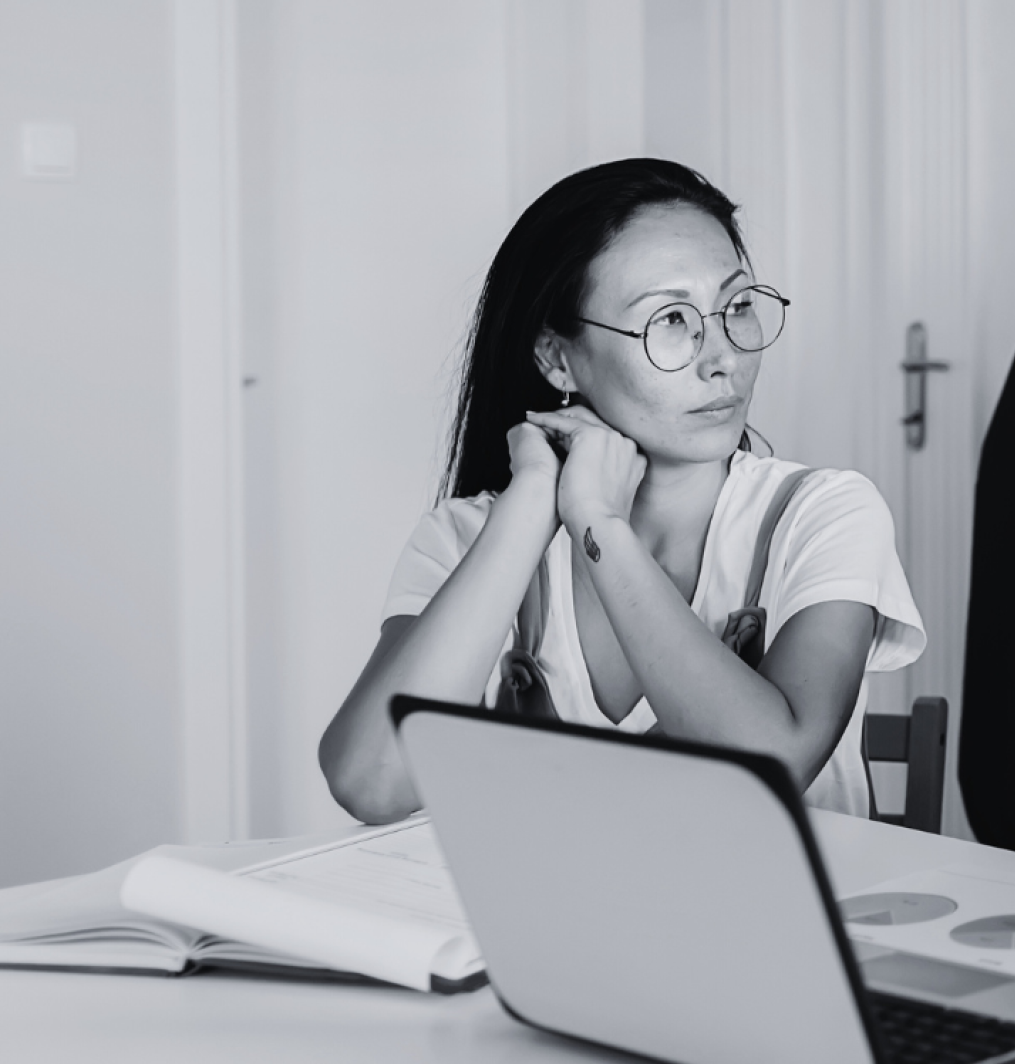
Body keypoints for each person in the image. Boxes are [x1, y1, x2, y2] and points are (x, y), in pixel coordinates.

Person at [320, 158, 924, 824]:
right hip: (541, 930)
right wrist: (529, 506)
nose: (722, 355)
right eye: (669, 320)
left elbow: (774, 764)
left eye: (738, 306)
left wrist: (600, 523)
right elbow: (371, 781)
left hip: (782, 928)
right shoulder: (466, 539)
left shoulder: (825, 514)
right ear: (557, 358)